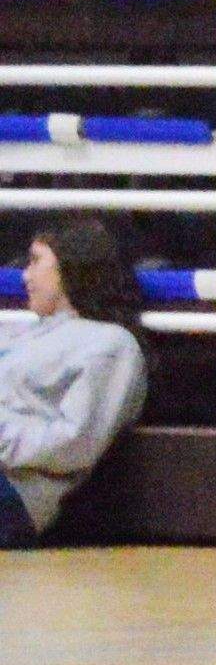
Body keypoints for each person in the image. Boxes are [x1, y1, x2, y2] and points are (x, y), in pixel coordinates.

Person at [0, 219, 148, 545]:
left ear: (70, 268)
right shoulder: (19, 333)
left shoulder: (111, 345)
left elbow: (74, 443)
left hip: (15, 488)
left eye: (36, 261)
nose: (25, 275)